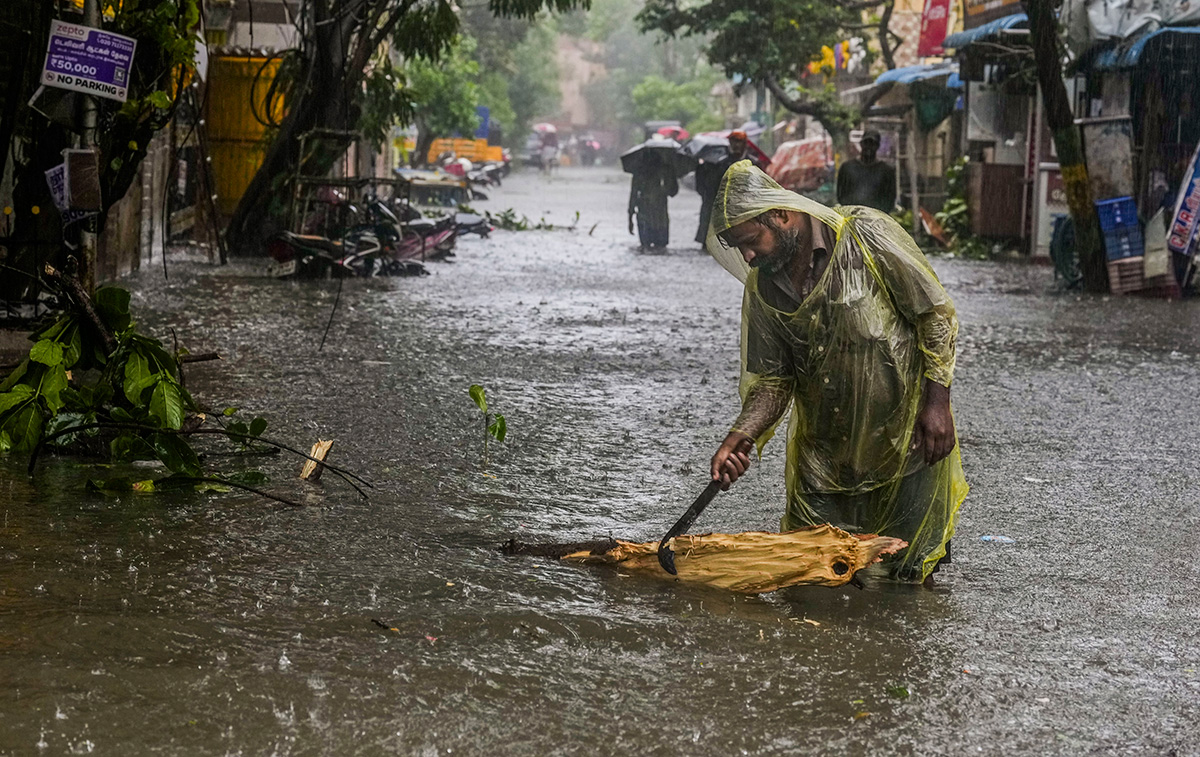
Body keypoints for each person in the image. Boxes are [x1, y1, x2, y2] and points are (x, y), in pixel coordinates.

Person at [704, 160, 967, 582]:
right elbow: (773, 380)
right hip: (823, 463)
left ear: (781, 215)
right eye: (739, 249)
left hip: (906, 448)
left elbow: (935, 317)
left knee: (906, 582)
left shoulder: (866, 236)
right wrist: (742, 435)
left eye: (752, 241)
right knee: (813, 582)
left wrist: (938, 404)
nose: (749, 257)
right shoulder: (764, 288)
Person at [694, 130, 752, 245]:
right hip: (716, 200)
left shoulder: (751, 162)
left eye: (739, 141)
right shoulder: (717, 162)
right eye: (733, 141)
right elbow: (706, 181)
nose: (736, 144)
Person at [836, 130, 897, 213]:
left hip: (876, 220)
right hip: (852, 217)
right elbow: (841, 195)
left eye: (872, 144)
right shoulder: (847, 167)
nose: (869, 147)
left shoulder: (886, 171)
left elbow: (890, 199)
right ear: (861, 144)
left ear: (877, 146)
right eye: (866, 143)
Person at [628, 155, 678, 249]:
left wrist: (630, 217)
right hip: (657, 215)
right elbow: (673, 191)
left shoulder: (640, 171)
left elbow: (633, 194)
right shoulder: (665, 169)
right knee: (659, 246)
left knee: (646, 245)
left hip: (650, 214)